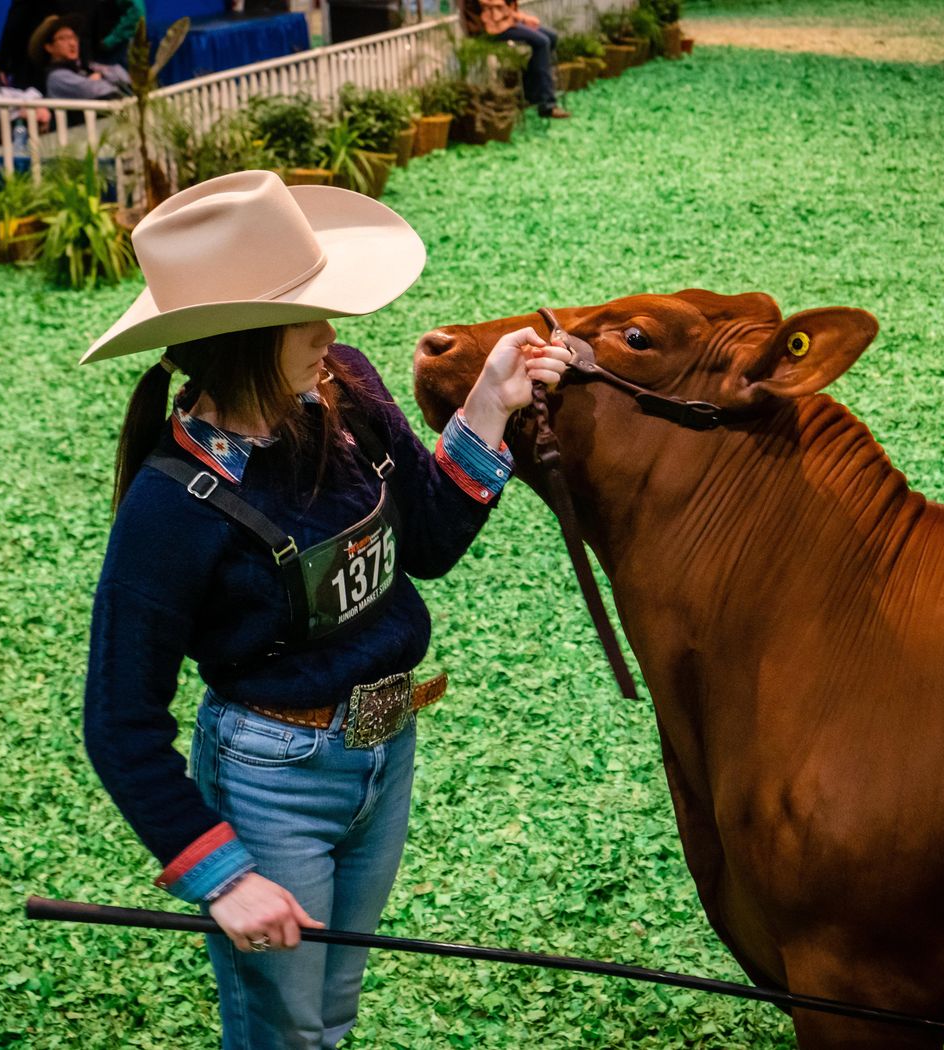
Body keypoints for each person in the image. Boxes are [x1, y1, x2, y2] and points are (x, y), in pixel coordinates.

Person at [81, 169, 569, 1049]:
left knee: (331, 1018)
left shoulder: (343, 384)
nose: (331, 330)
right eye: (305, 312)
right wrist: (222, 875)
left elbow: (426, 541)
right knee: (284, 1034)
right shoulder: (169, 508)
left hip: (388, 752)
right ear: (240, 338)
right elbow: (119, 721)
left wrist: (491, 402)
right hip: (272, 781)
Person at [461, 0, 569, 119]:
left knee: (551, 37)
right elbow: (494, 4)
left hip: (503, 22)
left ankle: (531, 91)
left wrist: (520, 17)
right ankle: (547, 104)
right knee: (542, 42)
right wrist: (522, 18)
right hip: (488, 26)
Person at [31, 13, 130, 100]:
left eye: (73, 37)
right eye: (63, 38)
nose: (72, 43)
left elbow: (123, 76)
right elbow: (100, 91)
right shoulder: (57, 77)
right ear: (49, 47)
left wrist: (101, 75)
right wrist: (100, 78)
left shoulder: (83, 68)